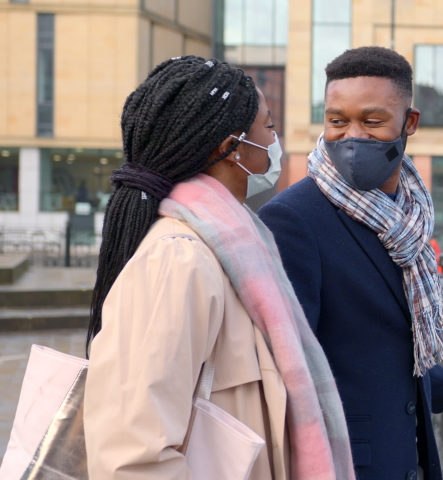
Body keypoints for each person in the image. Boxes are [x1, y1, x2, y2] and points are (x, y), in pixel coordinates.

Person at [83, 56, 354, 480]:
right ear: (232, 148)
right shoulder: (179, 259)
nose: (276, 141)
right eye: (269, 127)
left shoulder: (235, 249)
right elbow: (131, 456)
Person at [258, 46, 443, 480]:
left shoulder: (409, 214)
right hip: (345, 463)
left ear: (409, 123)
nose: (352, 137)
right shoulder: (292, 220)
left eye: (372, 121)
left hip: (404, 457)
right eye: (337, 121)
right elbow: (287, 367)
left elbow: (384, 345)